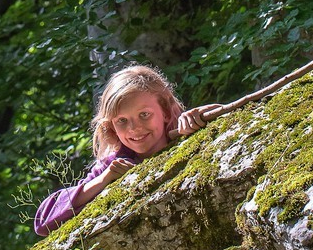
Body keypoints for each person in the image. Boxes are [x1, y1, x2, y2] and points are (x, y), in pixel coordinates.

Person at [33, 64, 209, 238]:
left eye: (144, 114)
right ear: (111, 126)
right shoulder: (111, 165)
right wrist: (104, 178)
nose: (134, 128)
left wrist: (199, 119)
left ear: (165, 112)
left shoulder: (188, 138)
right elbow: (42, 222)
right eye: (122, 120)